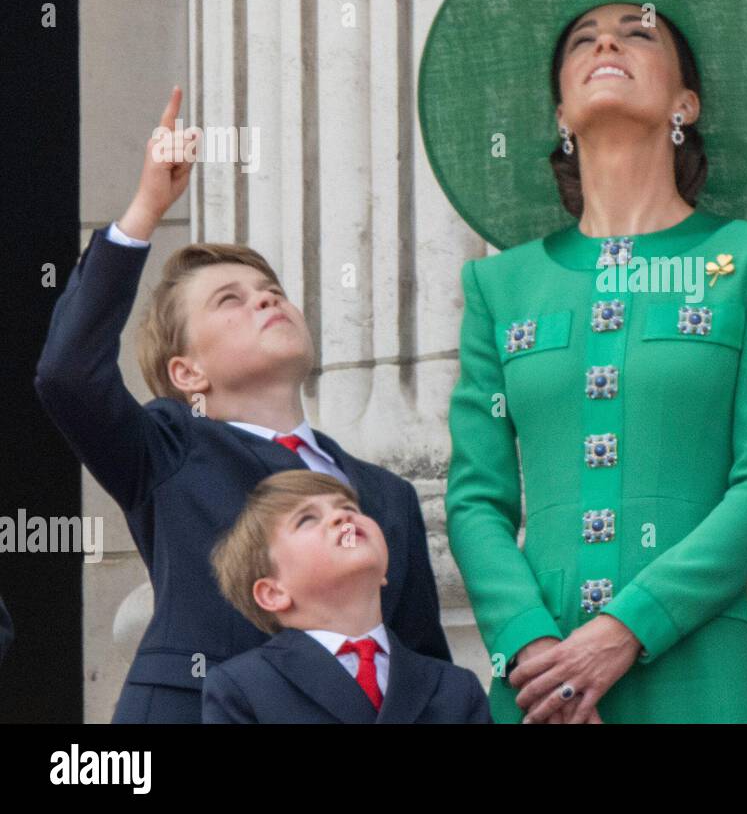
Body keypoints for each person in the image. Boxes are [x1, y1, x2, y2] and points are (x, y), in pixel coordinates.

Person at [420, 0, 747, 722]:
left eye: (637, 32)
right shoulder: (500, 284)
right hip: (540, 683)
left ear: (686, 99)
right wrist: (532, 645)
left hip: (698, 661)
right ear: (560, 114)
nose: (607, 44)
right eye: (582, 40)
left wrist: (625, 627)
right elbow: (475, 499)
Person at [34, 88, 451, 722]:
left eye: (271, 290)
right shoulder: (169, 448)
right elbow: (67, 373)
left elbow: (425, 670)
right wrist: (147, 207)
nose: (265, 301)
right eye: (230, 300)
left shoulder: (385, 496)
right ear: (186, 371)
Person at [202, 470, 489, 724]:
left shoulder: (455, 687)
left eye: (349, 507)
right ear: (273, 592)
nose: (344, 517)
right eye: (307, 519)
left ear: (384, 572)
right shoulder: (243, 687)